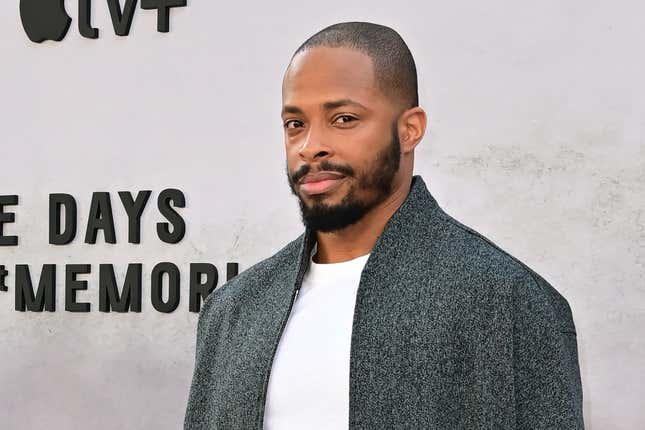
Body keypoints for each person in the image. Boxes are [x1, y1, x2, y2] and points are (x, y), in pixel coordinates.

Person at [184, 21, 585, 429]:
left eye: (343, 119)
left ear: (409, 130)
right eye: (295, 124)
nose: (310, 146)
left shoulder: (507, 300)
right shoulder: (233, 311)